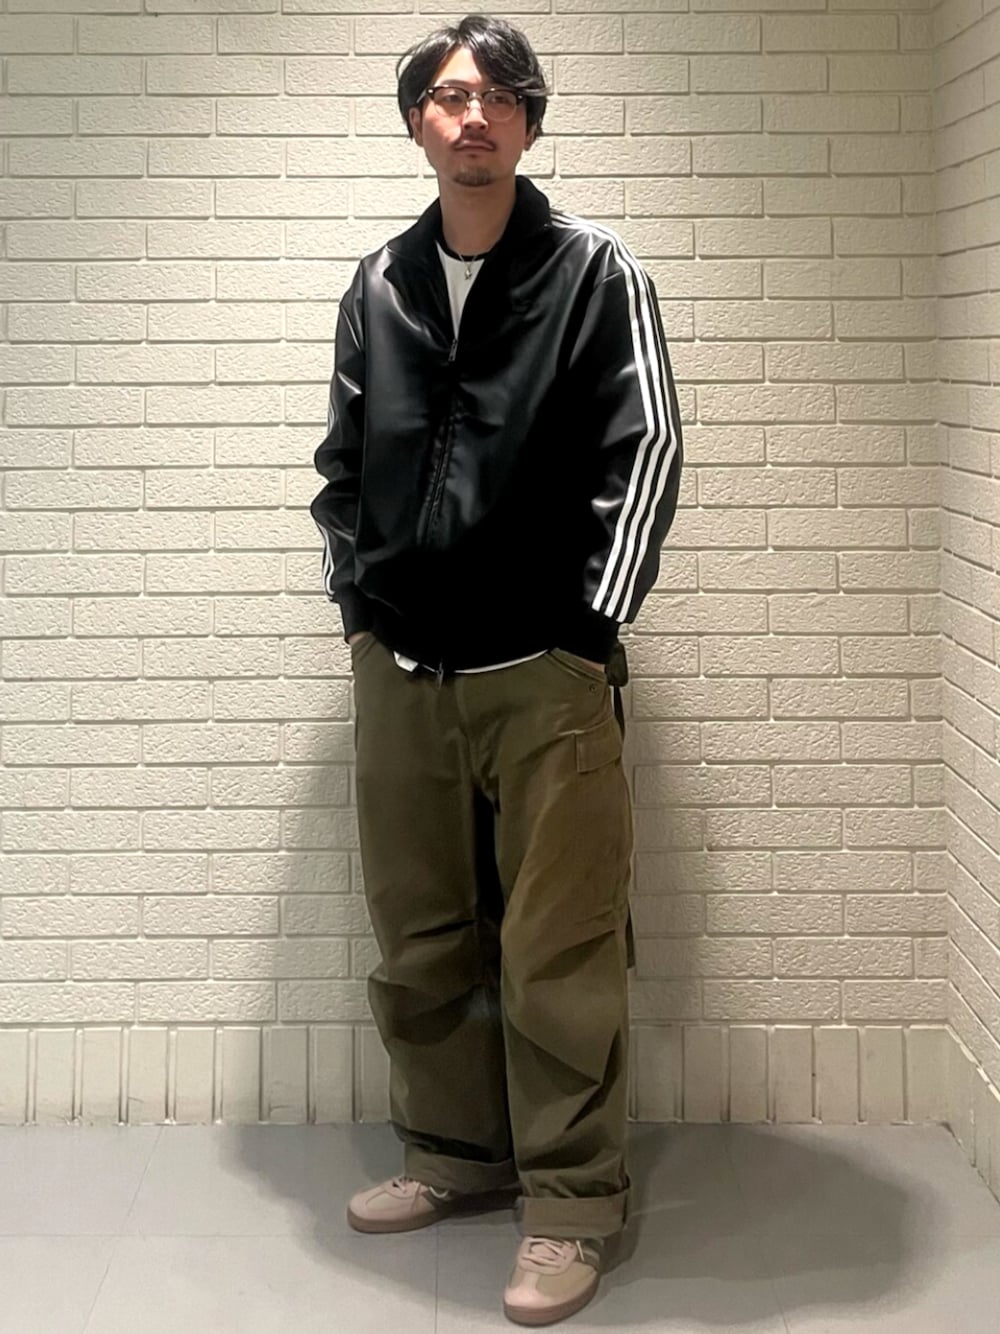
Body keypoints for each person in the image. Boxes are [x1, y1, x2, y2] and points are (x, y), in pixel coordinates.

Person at [310, 12, 682, 1326]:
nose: (474, 115)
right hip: (403, 670)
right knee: (420, 936)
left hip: (544, 675)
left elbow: (646, 450)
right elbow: (341, 465)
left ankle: (571, 1203)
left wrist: (587, 625)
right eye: (450, 95)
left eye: (499, 97)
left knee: (557, 947)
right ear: (417, 121)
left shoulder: (595, 271)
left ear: (527, 122)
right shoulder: (380, 284)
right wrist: (360, 609)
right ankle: (454, 1155)